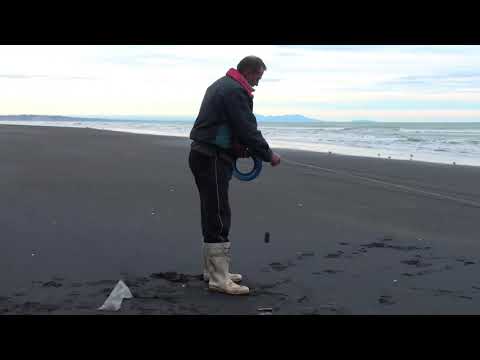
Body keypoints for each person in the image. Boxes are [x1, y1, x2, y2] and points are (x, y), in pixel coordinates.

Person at [189, 55, 281, 295]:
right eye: (258, 77)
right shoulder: (233, 91)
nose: (258, 83)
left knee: (212, 211)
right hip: (211, 158)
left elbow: (227, 126)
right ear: (248, 72)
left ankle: (214, 271)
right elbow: (246, 127)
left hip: (207, 154)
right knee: (218, 213)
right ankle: (219, 279)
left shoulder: (222, 85)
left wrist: (238, 147)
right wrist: (268, 154)